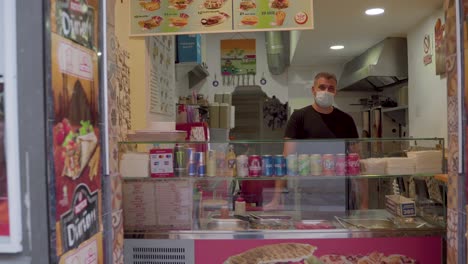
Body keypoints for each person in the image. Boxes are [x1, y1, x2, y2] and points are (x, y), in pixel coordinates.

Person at [263, 72, 368, 211]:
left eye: (331, 88)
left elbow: (358, 161)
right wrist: (276, 199)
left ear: (335, 91)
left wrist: (364, 203)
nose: (326, 92)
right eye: (322, 87)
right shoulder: (299, 117)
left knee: (343, 232)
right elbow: (286, 159)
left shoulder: (346, 120)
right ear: (313, 90)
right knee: (313, 231)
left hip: (342, 193)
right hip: (310, 193)